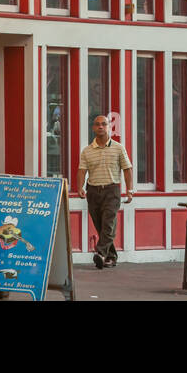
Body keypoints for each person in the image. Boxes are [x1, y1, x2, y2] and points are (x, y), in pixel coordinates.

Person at [76, 114, 133, 269]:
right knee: (101, 226)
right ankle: (111, 256)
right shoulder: (87, 151)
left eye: (104, 124)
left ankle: (100, 253)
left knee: (108, 222)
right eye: (97, 124)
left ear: (109, 127)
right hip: (93, 191)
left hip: (112, 189)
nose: (101, 126)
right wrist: (80, 187)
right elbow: (82, 170)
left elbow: (127, 169)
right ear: (93, 128)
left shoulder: (118, 148)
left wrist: (130, 191)